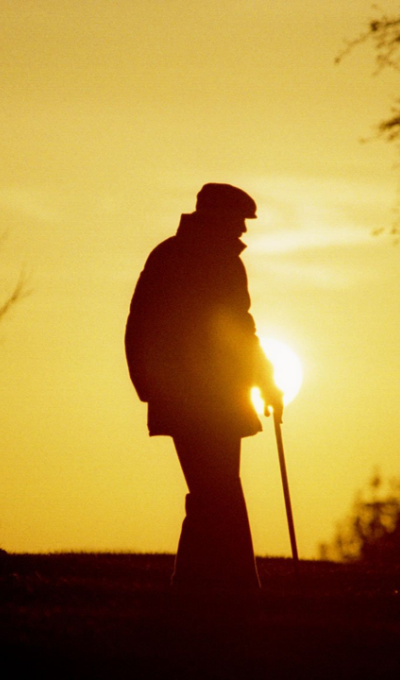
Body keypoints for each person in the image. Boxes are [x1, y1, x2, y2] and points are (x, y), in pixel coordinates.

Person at [125, 183, 283, 589]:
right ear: (216, 216)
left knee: (211, 491)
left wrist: (265, 381)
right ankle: (235, 586)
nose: (243, 232)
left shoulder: (174, 255)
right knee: (218, 490)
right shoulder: (203, 260)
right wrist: (265, 382)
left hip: (203, 394)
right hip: (204, 395)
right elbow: (236, 331)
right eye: (239, 221)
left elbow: (238, 331)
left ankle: (200, 584)